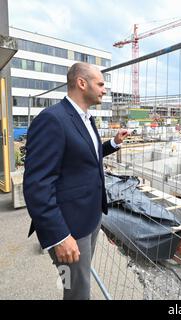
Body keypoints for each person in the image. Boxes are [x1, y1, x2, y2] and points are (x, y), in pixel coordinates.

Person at [23, 62, 129, 300]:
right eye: (100, 84)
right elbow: (37, 185)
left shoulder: (86, 118)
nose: (104, 90)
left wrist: (113, 144)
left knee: (76, 285)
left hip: (89, 218)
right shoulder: (52, 119)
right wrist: (59, 236)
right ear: (82, 83)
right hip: (68, 227)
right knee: (77, 292)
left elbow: (86, 156)